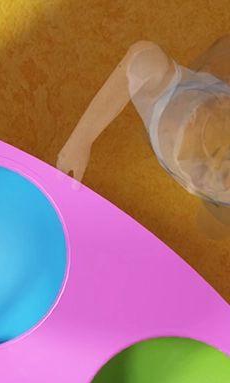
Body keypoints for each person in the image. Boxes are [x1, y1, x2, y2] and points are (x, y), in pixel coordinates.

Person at [57, 38, 230, 236]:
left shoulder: (218, 200)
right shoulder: (164, 87)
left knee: (212, 227)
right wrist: (81, 139)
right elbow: (142, 58)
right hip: (177, 100)